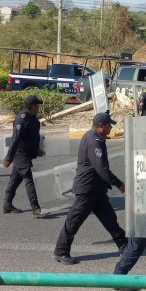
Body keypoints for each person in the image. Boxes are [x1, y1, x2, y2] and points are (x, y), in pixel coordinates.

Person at [53, 112, 128, 265]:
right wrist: (119, 183)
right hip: (87, 189)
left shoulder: (95, 137)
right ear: (101, 126)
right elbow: (102, 169)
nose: (110, 128)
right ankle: (61, 251)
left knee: (110, 219)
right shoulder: (94, 141)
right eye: (109, 125)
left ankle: (124, 245)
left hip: (97, 189)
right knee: (73, 221)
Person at [2, 94, 45, 216]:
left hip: (27, 153)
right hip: (20, 154)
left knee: (15, 179)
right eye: (37, 105)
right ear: (31, 106)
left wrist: (37, 149)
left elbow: (33, 137)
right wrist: (9, 158)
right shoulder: (21, 120)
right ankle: (35, 207)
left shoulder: (33, 117)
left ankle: (7, 205)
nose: (39, 107)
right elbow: (15, 139)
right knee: (28, 178)